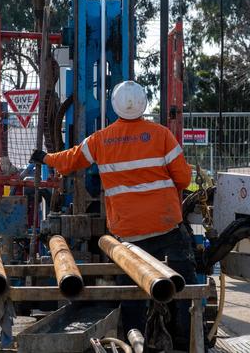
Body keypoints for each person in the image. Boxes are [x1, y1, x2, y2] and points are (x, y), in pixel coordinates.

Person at [30, 80, 197, 349]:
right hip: (166, 227)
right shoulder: (162, 135)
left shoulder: (101, 140)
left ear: (114, 107)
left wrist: (45, 158)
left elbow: (70, 160)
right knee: (185, 288)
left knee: (131, 293)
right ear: (143, 104)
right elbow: (184, 178)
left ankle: (135, 342)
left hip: (128, 234)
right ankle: (185, 342)